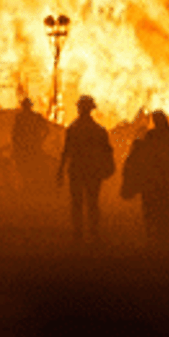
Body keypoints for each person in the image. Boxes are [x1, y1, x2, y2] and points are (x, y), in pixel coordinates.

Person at [121, 109, 169, 243]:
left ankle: (155, 234)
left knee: (153, 207)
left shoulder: (151, 135)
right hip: (167, 178)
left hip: (155, 178)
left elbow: (143, 156)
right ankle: (162, 234)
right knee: (164, 207)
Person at [57, 94, 115, 242]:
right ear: (91, 110)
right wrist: (109, 167)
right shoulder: (99, 130)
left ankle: (78, 233)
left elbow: (66, 151)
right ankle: (93, 232)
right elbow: (107, 151)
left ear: (79, 109)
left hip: (77, 170)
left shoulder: (73, 129)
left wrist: (60, 171)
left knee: (77, 203)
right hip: (92, 171)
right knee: (92, 202)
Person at [10, 95, 48, 196]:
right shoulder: (35, 117)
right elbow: (46, 129)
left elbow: (14, 134)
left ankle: (27, 190)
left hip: (24, 148)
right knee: (32, 170)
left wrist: (15, 147)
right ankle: (31, 190)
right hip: (33, 147)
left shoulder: (20, 118)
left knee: (24, 170)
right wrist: (41, 140)